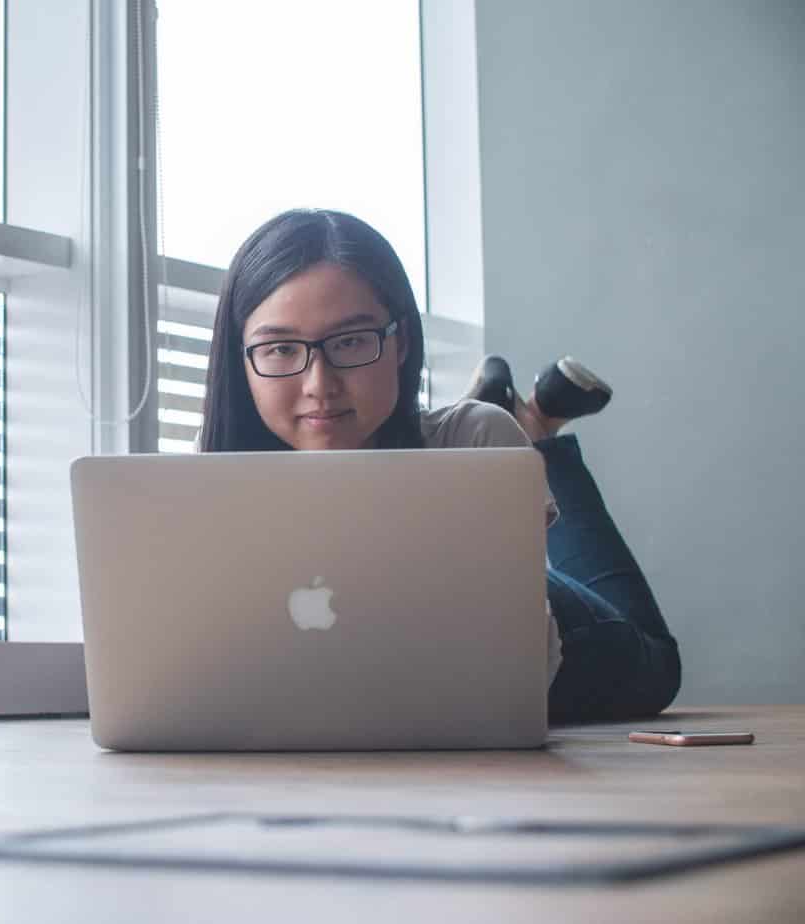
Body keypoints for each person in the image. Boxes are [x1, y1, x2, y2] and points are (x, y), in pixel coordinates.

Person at [198, 208, 681, 723]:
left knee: (658, 660)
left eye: (351, 342)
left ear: (401, 342)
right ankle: (534, 421)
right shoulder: (199, 493)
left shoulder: (477, 439)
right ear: (241, 359)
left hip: (575, 648)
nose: (320, 384)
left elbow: (519, 676)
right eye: (279, 348)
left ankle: (538, 438)